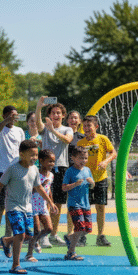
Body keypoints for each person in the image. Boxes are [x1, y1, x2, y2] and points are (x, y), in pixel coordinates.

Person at [0, 140, 58, 274]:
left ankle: (7, 240)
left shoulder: (34, 169)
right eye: (31, 155)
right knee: (21, 234)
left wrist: (50, 202)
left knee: (29, 235)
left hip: (28, 207)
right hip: (13, 206)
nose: (34, 158)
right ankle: (15, 265)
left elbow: (39, 187)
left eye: (36, 155)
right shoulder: (13, 168)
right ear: (22, 155)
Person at [35, 96, 73, 247]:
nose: (56, 115)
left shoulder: (67, 129)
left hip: (61, 168)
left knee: (57, 203)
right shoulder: (45, 129)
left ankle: (53, 234)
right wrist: (39, 106)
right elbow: (38, 123)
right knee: (43, 202)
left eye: (59, 113)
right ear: (49, 115)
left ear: (63, 115)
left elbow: (68, 140)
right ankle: (43, 235)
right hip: (45, 169)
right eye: (53, 113)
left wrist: (54, 131)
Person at [77, 115, 117, 246]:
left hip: (100, 178)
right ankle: (82, 234)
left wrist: (105, 162)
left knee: (100, 207)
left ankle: (101, 235)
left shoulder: (102, 139)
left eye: (89, 126)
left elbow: (113, 153)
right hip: (85, 180)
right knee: (84, 208)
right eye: (85, 126)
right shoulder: (81, 143)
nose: (86, 128)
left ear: (96, 127)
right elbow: (76, 160)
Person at [0, 105, 25, 248]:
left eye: (15, 115)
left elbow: (22, 149)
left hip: (14, 171)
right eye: (11, 115)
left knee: (11, 206)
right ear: (4, 116)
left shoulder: (20, 131)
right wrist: (6, 121)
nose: (14, 118)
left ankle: (7, 237)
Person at [62, 146, 94, 260]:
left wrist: (92, 183)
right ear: (73, 158)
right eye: (81, 158)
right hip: (74, 204)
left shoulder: (87, 170)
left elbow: (92, 185)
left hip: (86, 204)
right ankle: (70, 253)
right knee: (79, 228)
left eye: (85, 158)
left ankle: (70, 237)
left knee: (87, 230)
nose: (84, 161)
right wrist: (75, 184)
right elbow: (64, 188)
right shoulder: (70, 171)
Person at [25, 149, 55, 262]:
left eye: (53, 161)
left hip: (42, 206)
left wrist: (51, 203)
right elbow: (29, 190)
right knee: (36, 230)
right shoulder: (34, 173)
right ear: (41, 161)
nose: (52, 164)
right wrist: (40, 186)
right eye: (49, 161)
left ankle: (35, 240)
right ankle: (29, 254)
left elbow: (48, 190)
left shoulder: (51, 175)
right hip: (32, 205)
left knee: (48, 229)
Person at [65, 110, 86, 246]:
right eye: (71, 118)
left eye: (76, 118)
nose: (73, 120)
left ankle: (77, 233)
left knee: (79, 203)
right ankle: (69, 232)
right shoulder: (65, 133)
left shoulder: (82, 137)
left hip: (79, 173)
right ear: (67, 120)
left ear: (79, 121)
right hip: (67, 171)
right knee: (68, 203)